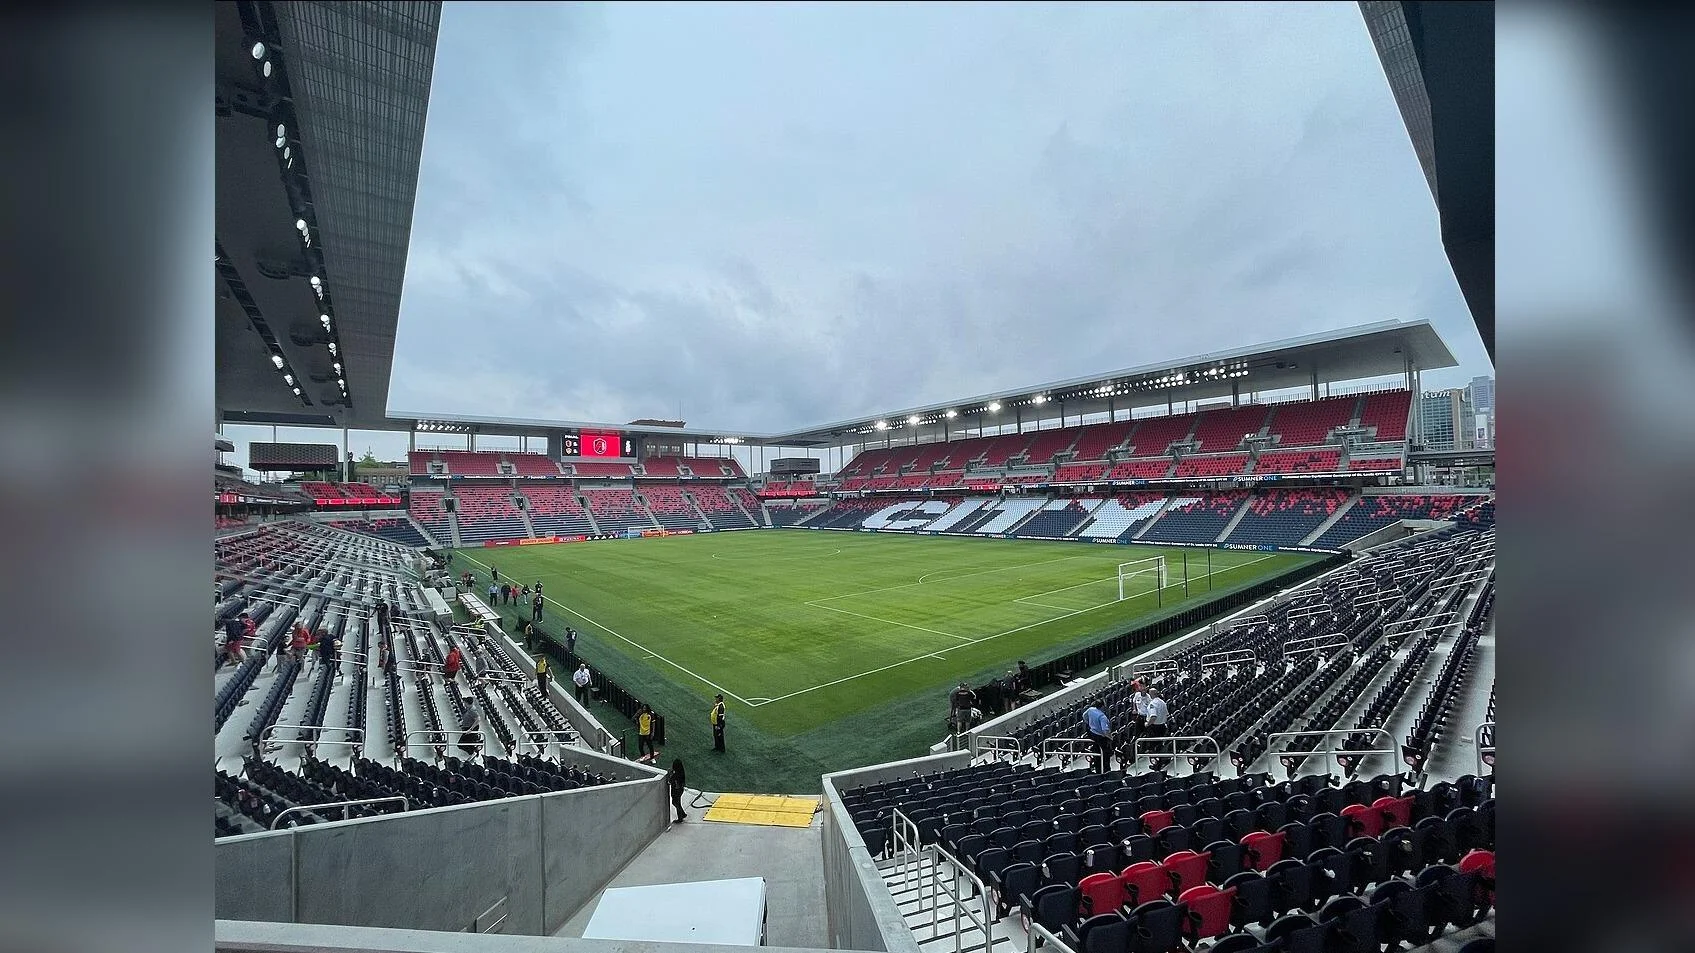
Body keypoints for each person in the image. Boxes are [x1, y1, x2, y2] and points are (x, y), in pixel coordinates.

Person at [1083, 702, 1113, 775]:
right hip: (1101, 737)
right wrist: (1111, 737)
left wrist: (1088, 723)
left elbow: (1084, 716)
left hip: (1092, 734)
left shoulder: (1090, 710)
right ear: (1102, 706)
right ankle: (1106, 771)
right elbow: (1105, 731)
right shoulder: (1102, 717)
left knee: (1096, 753)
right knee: (1105, 755)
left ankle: (1098, 771)